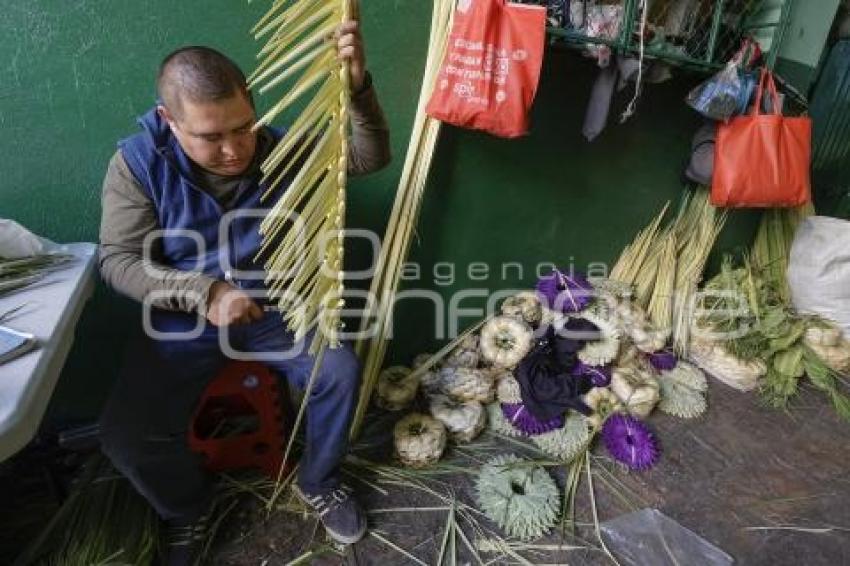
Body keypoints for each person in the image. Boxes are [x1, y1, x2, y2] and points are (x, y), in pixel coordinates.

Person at [97, 20, 390, 565]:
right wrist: (203, 292)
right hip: (182, 319)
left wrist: (358, 89)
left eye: (243, 126)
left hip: (271, 310)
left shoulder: (276, 149)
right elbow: (117, 261)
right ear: (169, 121)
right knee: (125, 437)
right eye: (211, 136)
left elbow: (369, 158)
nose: (234, 149)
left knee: (338, 373)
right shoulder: (138, 165)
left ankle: (319, 478)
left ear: (250, 104)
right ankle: (188, 506)